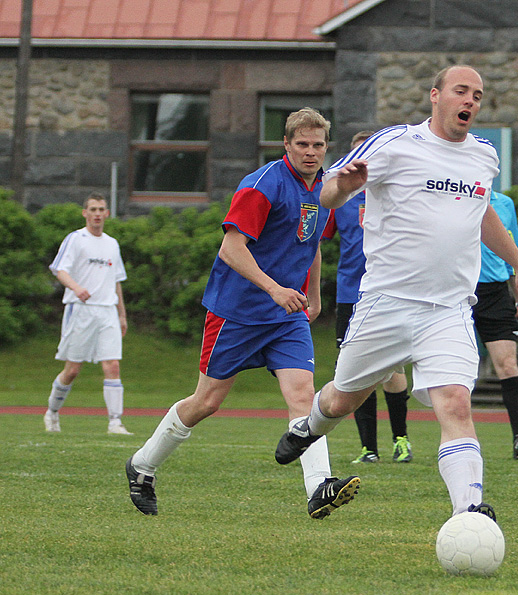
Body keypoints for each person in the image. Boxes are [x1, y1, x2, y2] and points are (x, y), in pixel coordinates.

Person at [273, 65, 518, 522]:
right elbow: (330, 191)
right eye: (461, 91)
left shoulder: (483, 155)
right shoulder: (395, 142)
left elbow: (481, 213)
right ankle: (308, 427)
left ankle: (469, 510)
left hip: (450, 308)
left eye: (477, 95)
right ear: (435, 96)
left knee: (455, 402)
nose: (470, 101)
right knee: (342, 400)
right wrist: (347, 186)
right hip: (386, 304)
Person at [125, 108, 359, 518]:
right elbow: (231, 248)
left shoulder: (324, 187)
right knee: (207, 402)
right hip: (238, 311)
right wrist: (274, 289)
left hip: (286, 316)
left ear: (327, 147)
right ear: (285, 145)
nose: (310, 152)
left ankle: (319, 486)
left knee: (304, 396)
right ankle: (142, 465)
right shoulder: (264, 185)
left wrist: (314, 294)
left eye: (318, 145)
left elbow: (312, 241)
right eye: (301, 144)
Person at [321, 130, 413, 464]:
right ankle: (368, 448)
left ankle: (401, 440)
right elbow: (319, 240)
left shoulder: (397, 193)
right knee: (357, 370)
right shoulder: (341, 200)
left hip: (389, 290)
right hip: (350, 292)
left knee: (392, 370)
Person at [44, 192, 132, 435]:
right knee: (72, 370)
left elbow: (116, 282)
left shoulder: (112, 244)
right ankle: (52, 412)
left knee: (112, 365)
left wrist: (122, 315)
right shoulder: (76, 239)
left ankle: (115, 422)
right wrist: (76, 287)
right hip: (80, 310)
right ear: (85, 213)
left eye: (101, 209)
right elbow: (59, 270)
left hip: (107, 312)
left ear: (107, 213)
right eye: (92, 209)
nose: (97, 214)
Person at [474, 190, 518, 460]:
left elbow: (513, 255)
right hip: (457, 290)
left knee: (508, 364)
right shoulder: (455, 193)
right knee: (459, 366)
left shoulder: (504, 204)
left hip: (495, 293)